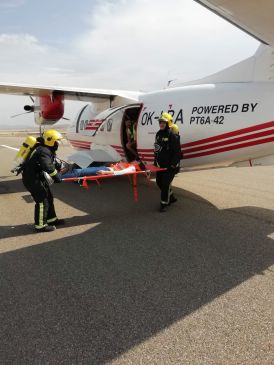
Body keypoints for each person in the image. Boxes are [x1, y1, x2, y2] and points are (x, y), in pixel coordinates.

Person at [22, 129, 64, 232]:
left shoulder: (45, 149)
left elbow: (49, 163)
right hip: (32, 179)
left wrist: (57, 166)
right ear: (51, 141)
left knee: (49, 197)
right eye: (56, 141)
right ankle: (40, 226)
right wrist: (57, 177)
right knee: (42, 201)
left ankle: (52, 219)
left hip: (37, 177)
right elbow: (48, 167)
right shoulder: (44, 151)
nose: (58, 144)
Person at [154, 113, 181, 212]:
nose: (161, 124)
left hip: (170, 166)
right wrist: (154, 161)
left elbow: (177, 152)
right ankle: (172, 197)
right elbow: (156, 149)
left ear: (168, 123)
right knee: (158, 182)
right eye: (160, 122)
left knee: (165, 184)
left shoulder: (172, 135)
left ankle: (164, 204)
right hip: (160, 165)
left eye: (163, 122)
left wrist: (173, 165)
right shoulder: (158, 134)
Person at [61, 161, 142, 179]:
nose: (134, 160)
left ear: (138, 164)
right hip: (105, 167)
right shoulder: (129, 164)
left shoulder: (133, 167)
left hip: (106, 170)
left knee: (79, 172)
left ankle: (57, 176)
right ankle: (62, 172)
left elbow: (120, 172)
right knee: (80, 170)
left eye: (137, 161)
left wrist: (105, 172)